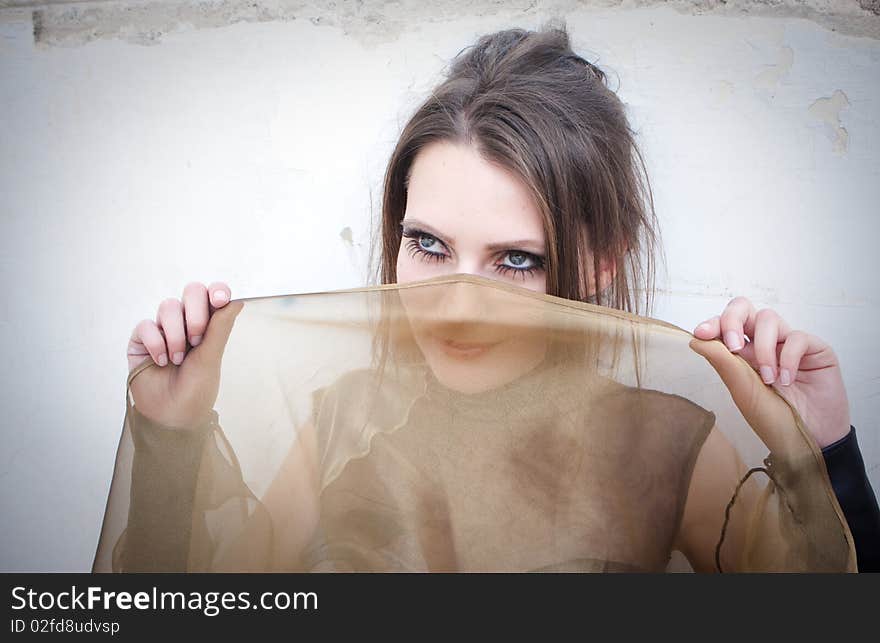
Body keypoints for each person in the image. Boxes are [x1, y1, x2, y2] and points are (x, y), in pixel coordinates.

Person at [120, 23, 878, 571]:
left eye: (516, 259)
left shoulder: (665, 447)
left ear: (602, 262)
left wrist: (830, 454)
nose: (457, 305)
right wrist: (168, 435)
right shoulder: (344, 427)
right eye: (428, 244)